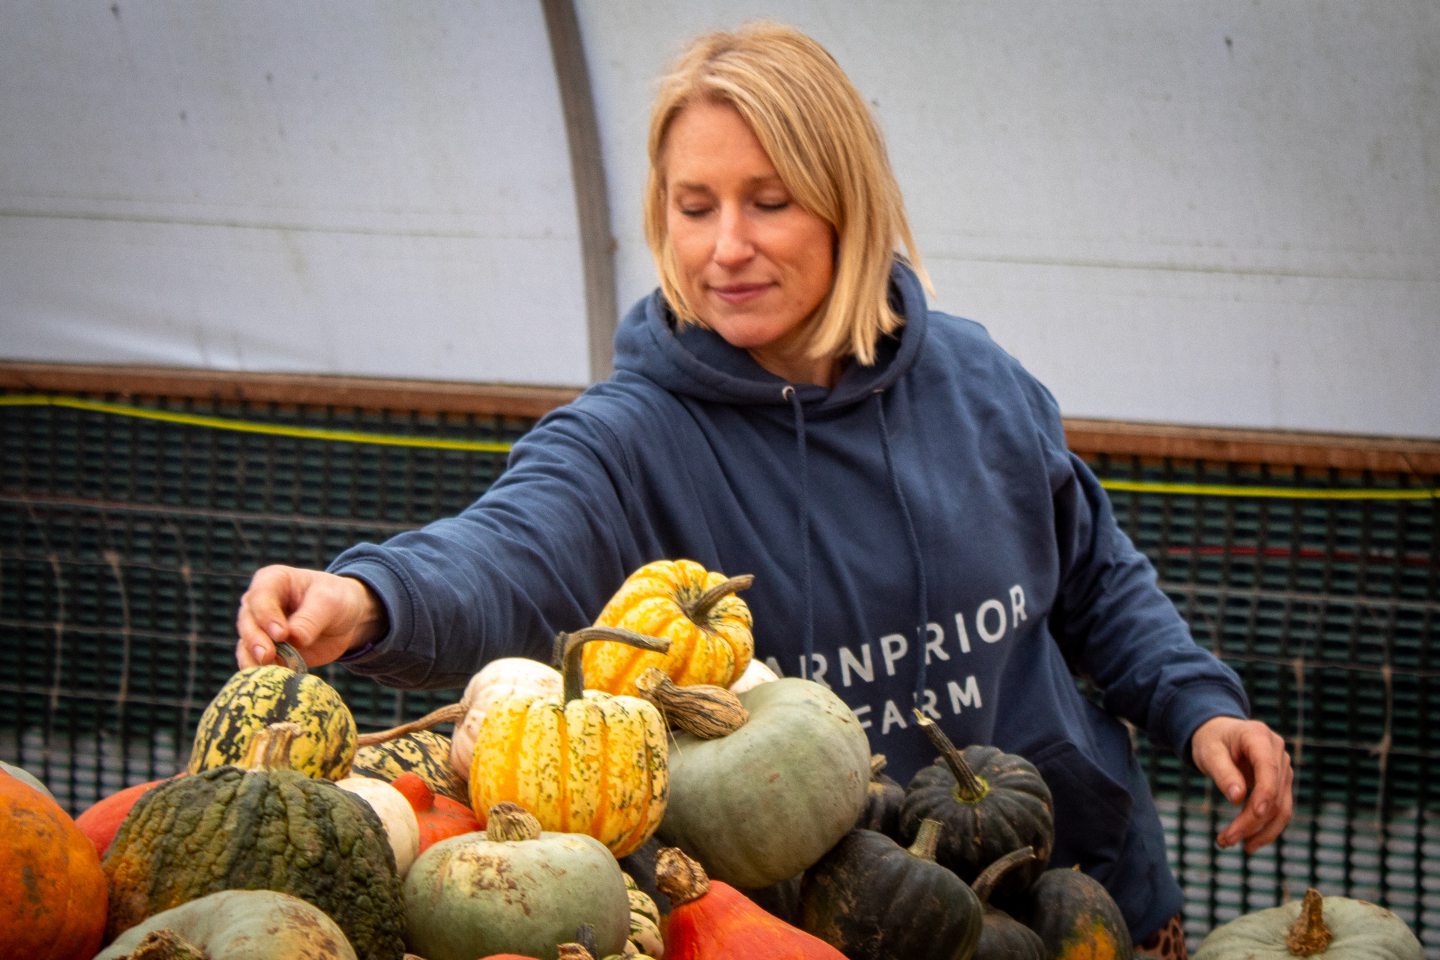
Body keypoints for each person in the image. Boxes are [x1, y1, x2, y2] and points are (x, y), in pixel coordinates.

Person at [235, 21, 1292, 956]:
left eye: (769, 203)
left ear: (847, 205)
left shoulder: (979, 382)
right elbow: (507, 546)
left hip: (1083, 903)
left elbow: (1096, 580)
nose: (725, 247)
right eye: (695, 208)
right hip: (842, 933)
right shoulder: (632, 435)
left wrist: (1198, 706)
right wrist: (370, 596)